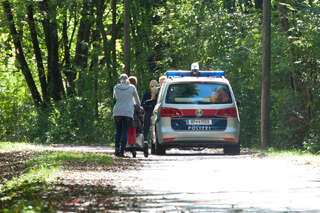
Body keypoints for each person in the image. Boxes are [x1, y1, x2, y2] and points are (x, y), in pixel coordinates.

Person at [113, 73, 141, 157]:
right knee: (125, 131)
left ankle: (116, 148)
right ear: (127, 80)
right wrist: (137, 106)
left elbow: (115, 97)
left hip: (117, 111)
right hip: (128, 112)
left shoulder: (116, 87)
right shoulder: (132, 88)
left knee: (118, 131)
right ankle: (122, 151)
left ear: (120, 80)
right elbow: (137, 101)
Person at [127, 76, 144, 150]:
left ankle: (128, 143)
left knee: (127, 128)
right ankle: (134, 143)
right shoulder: (133, 89)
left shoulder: (124, 90)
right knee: (134, 128)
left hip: (126, 112)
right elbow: (137, 103)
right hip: (134, 114)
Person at [141, 80, 158, 145]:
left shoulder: (146, 93)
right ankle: (154, 142)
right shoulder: (159, 93)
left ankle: (145, 140)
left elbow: (142, 104)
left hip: (148, 113)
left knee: (146, 127)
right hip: (156, 114)